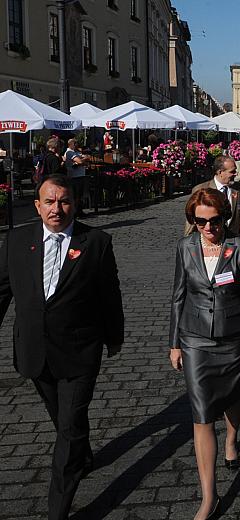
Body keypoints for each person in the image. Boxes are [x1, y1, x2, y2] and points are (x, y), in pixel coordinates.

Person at [0, 174, 124, 520]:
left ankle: (58, 507)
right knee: (63, 418)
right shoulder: (17, 240)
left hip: (80, 352)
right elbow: (1, 290)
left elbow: (109, 294)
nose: (57, 208)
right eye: (50, 202)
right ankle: (82, 454)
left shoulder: (95, 241)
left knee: (68, 428)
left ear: (75, 203)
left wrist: (114, 336)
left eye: (64, 201)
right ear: (37, 205)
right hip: (35, 352)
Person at [170, 188, 240, 519]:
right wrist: (174, 342)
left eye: (215, 220)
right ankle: (210, 496)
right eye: (201, 222)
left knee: (233, 395)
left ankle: (232, 440)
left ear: (224, 217)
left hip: (232, 337)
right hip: (194, 340)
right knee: (202, 413)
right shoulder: (185, 247)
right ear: (192, 221)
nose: (209, 228)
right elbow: (178, 295)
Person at [186, 156, 240, 237]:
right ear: (220, 172)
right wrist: (188, 242)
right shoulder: (201, 190)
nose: (236, 174)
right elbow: (191, 221)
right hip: (208, 241)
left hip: (233, 242)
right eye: (232, 171)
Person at [64, 139, 88, 216]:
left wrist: (82, 159)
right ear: (70, 144)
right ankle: (75, 212)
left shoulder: (75, 152)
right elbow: (79, 161)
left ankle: (79, 211)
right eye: (75, 143)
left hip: (80, 175)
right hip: (75, 176)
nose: (76, 145)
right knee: (76, 195)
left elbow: (81, 159)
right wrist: (85, 159)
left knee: (79, 195)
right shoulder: (69, 152)